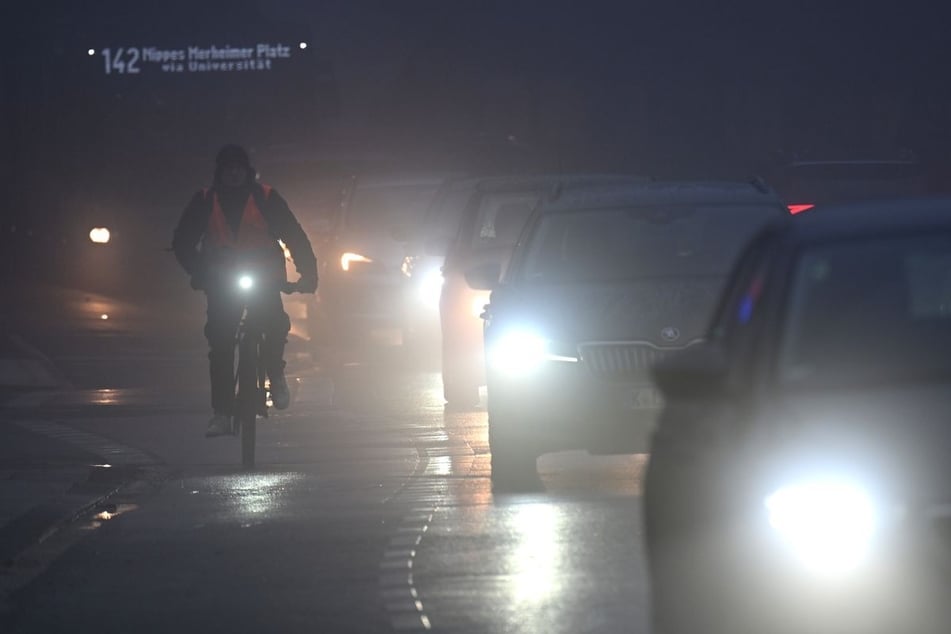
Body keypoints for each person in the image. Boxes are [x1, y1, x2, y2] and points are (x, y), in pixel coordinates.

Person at [172, 144, 318, 437]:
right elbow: (182, 241)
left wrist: (308, 273)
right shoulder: (205, 200)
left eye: (239, 168)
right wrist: (199, 273)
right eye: (229, 169)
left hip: (265, 278)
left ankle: (275, 373)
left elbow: (294, 234)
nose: (234, 174)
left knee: (275, 324)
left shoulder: (266, 197)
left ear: (247, 171)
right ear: (220, 172)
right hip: (221, 282)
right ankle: (222, 413)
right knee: (220, 342)